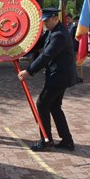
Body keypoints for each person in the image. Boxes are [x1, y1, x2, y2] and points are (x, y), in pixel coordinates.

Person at [17, 8, 76, 152]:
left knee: (42, 103)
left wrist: (29, 71)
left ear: (55, 18)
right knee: (54, 106)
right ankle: (67, 140)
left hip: (59, 77)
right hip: (58, 75)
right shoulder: (52, 31)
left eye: (47, 21)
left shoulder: (59, 35)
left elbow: (46, 56)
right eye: (44, 21)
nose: (45, 24)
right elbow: (38, 43)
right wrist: (21, 49)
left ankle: (45, 140)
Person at [69, 15, 84, 83]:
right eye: (75, 21)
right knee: (75, 64)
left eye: (77, 21)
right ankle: (77, 77)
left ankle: (79, 77)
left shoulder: (81, 28)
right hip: (74, 48)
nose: (76, 22)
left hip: (79, 48)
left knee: (79, 64)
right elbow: (70, 38)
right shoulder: (74, 28)